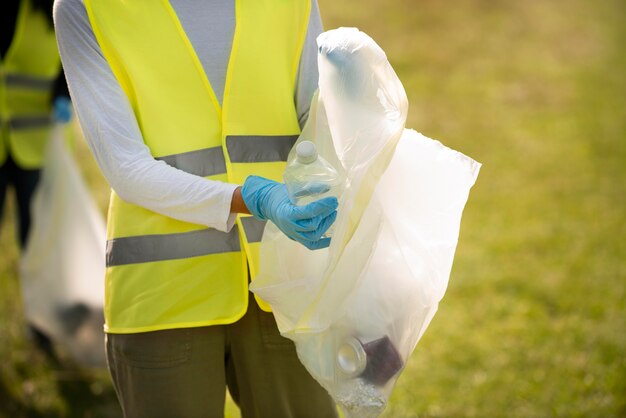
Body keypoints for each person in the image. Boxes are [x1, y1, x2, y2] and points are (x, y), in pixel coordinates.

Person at [54, 1, 338, 417]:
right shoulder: (88, 7)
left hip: (285, 277)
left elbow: (319, 118)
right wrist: (251, 198)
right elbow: (126, 167)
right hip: (164, 295)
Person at [1, 0, 72, 357]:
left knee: (37, 238)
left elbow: (66, 69)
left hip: (33, 143)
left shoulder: (54, 12)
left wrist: (63, 97)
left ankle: (40, 324)